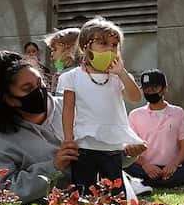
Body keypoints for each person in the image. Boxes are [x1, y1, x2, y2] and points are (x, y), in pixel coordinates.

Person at [0, 50, 79, 203]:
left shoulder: (70, 108)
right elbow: (4, 191)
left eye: (40, 83)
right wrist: (53, 167)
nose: (39, 91)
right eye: (27, 88)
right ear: (9, 99)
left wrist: (126, 151)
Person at [58, 17, 145, 192]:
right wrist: (68, 139)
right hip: (84, 145)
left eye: (114, 45)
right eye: (103, 44)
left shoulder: (117, 77)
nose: (110, 49)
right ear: (85, 47)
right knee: (84, 191)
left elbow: (135, 97)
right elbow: (68, 110)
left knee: (114, 192)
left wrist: (122, 73)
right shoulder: (72, 77)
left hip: (112, 147)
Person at [125, 69, 184, 193]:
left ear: (164, 89)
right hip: (145, 168)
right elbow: (130, 150)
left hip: (171, 168)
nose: (149, 91)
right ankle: (173, 183)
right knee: (124, 166)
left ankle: (144, 184)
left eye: (154, 88)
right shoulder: (135, 115)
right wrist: (146, 166)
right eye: (146, 89)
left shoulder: (178, 112)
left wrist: (173, 165)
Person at [44, 27, 80, 93]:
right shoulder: (85, 72)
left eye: (55, 49)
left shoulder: (66, 76)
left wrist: (53, 90)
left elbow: (59, 102)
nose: (52, 54)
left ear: (70, 50)